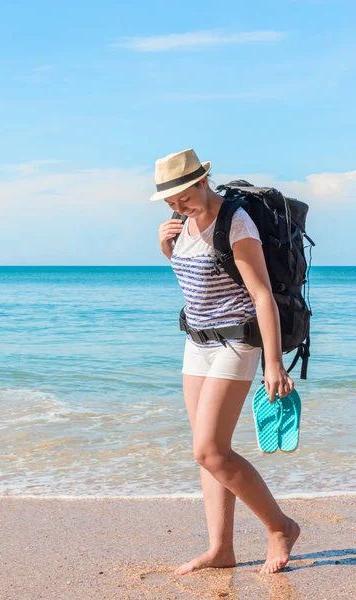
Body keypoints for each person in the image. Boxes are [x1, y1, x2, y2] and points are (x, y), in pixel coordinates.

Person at [150, 148, 300, 576]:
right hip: (196, 344)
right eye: (170, 203)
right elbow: (199, 284)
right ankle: (221, 549)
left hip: (236, 342)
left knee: (211, 450)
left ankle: (280, 527)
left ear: (202, 182)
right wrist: (168, 249)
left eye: (184, 197)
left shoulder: (236, 221)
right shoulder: (180, 226)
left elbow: (262, 295)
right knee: (206, 455)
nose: (179, 207)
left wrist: (274, 363)